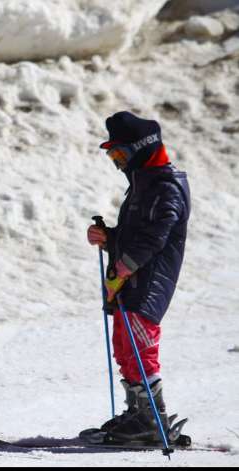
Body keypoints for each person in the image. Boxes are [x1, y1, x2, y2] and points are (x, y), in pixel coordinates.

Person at [86, 111, 191, 442]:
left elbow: (155, 236)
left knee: (140, 348)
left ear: (143, 148)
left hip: (148, 284)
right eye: (113, 156)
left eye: (121, 155)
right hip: (131, 282)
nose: (117, 162)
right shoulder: (144, 185)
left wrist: (126, 264)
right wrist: (110, 239)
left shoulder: (166, 187)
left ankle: (150, 419)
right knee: (124, 346)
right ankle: (137, 414)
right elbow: (136, 235)